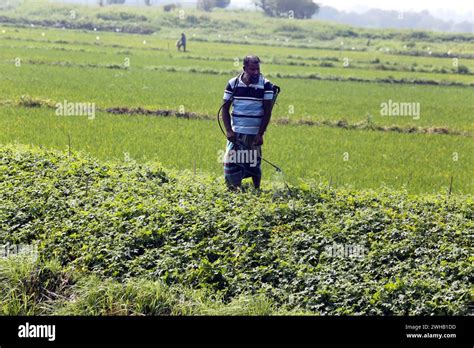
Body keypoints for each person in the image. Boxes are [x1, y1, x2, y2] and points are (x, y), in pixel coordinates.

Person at [221, 55, 275, 191]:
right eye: (252, 69)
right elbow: (225, 109)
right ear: (244, 68)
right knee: (231, 162)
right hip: (236, 132)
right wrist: (228, 130)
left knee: (253, 164)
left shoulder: (266, 85)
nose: (256, 72)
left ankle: (256, 190)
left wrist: (260, 134)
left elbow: (267, 112)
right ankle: (233, 192)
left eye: (257, 69)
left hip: (254, 133)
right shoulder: (233, 84)